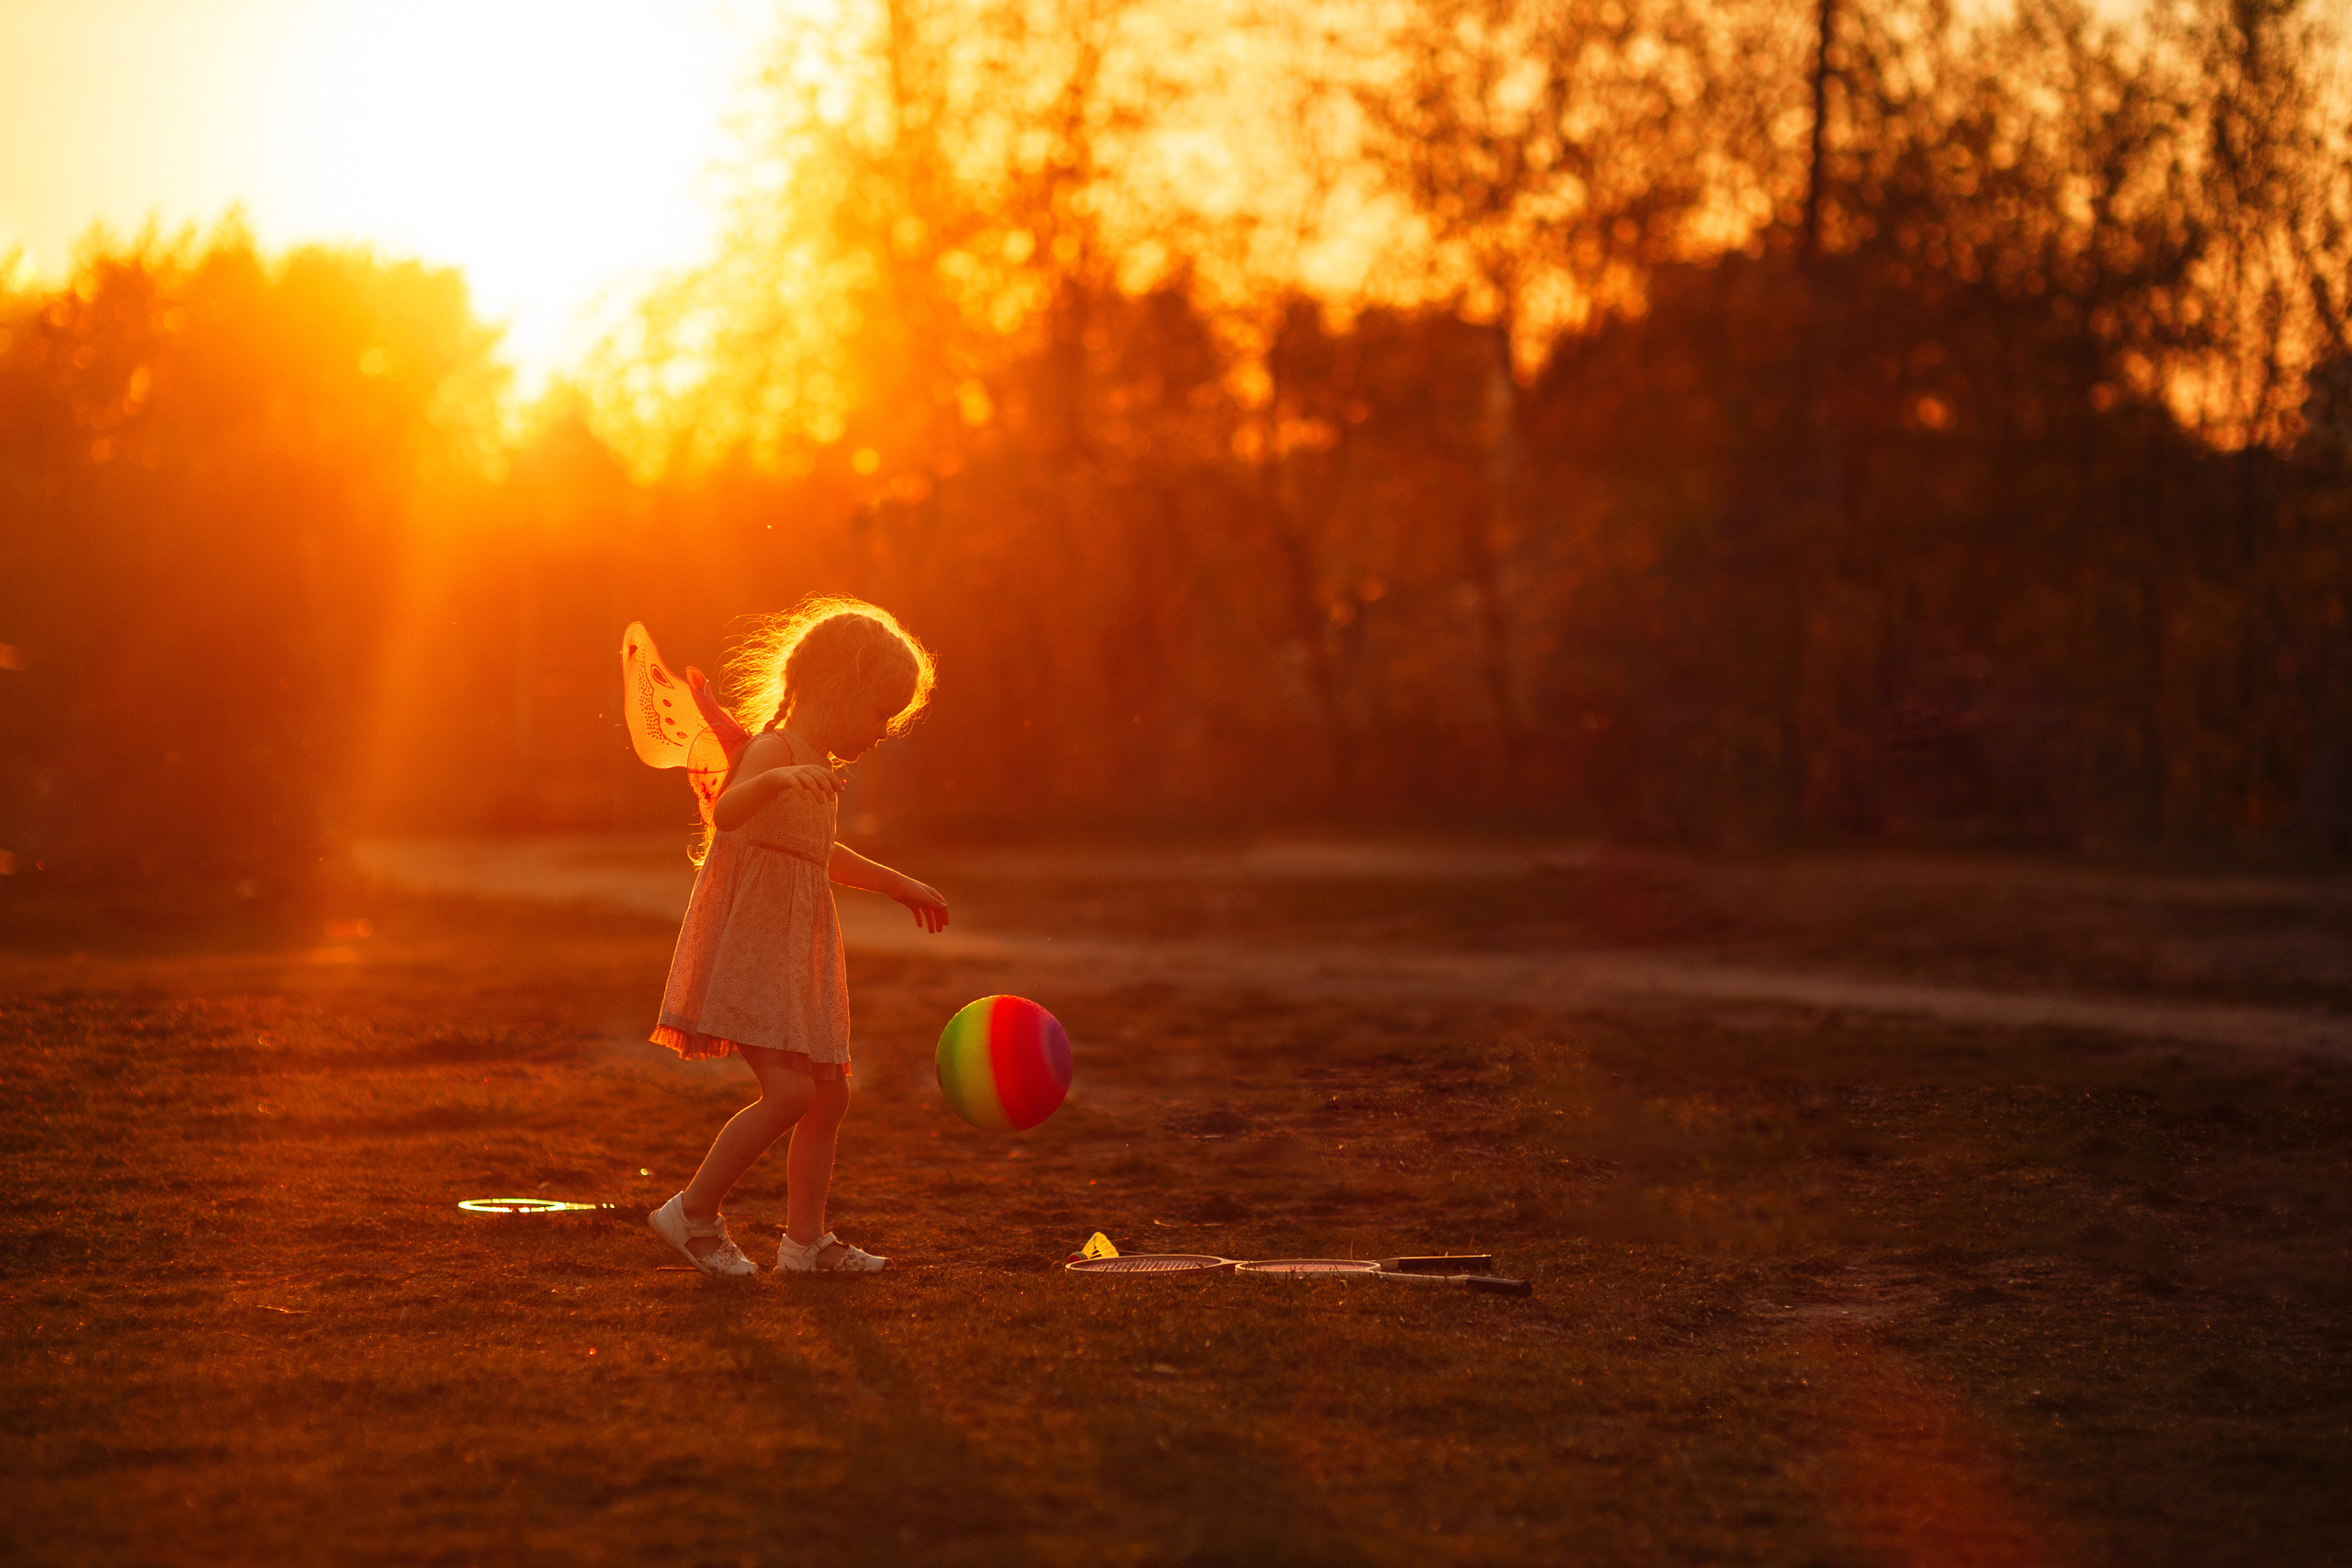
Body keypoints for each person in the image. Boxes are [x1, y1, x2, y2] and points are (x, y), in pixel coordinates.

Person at [646, 597, 950, 1277]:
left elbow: (821, 853)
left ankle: (804, 1244)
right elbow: (727, 812)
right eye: (881, 711)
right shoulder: (775, 749)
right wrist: (778, 774)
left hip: (795, 951)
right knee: (789, 1094)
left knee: (829, 1094)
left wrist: (899, 883)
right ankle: (691, 1212)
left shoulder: (815, 765)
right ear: (840, 687)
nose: (885, 728)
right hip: (753, 949)